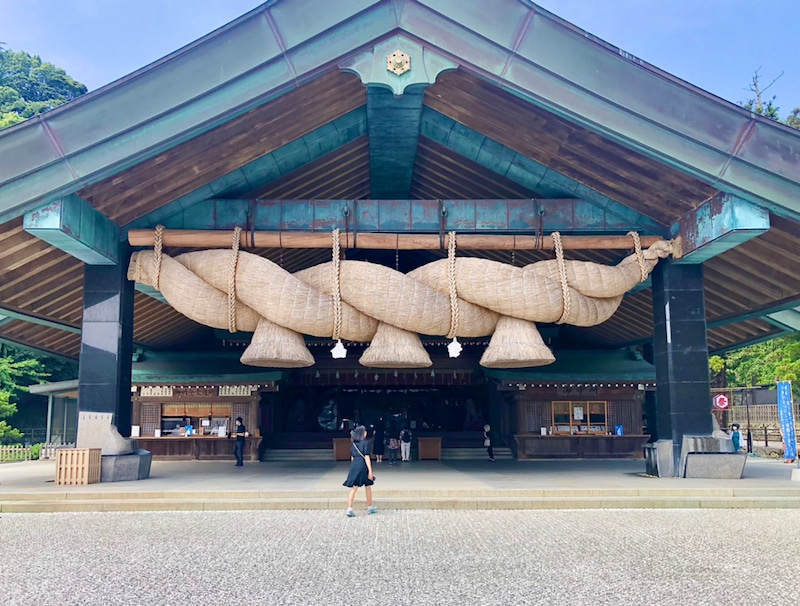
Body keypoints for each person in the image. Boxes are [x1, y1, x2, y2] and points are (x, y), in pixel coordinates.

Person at [343, 425, 376, 517]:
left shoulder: (353, 443)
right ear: (362, 433)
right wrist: (370, 471)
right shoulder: (366, 443)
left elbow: (352, 457)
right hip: (362, 465)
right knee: (368, 486)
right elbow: (366, 457)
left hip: (354, 465)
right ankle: (370, 507)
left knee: (354, 487)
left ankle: (349, 508)